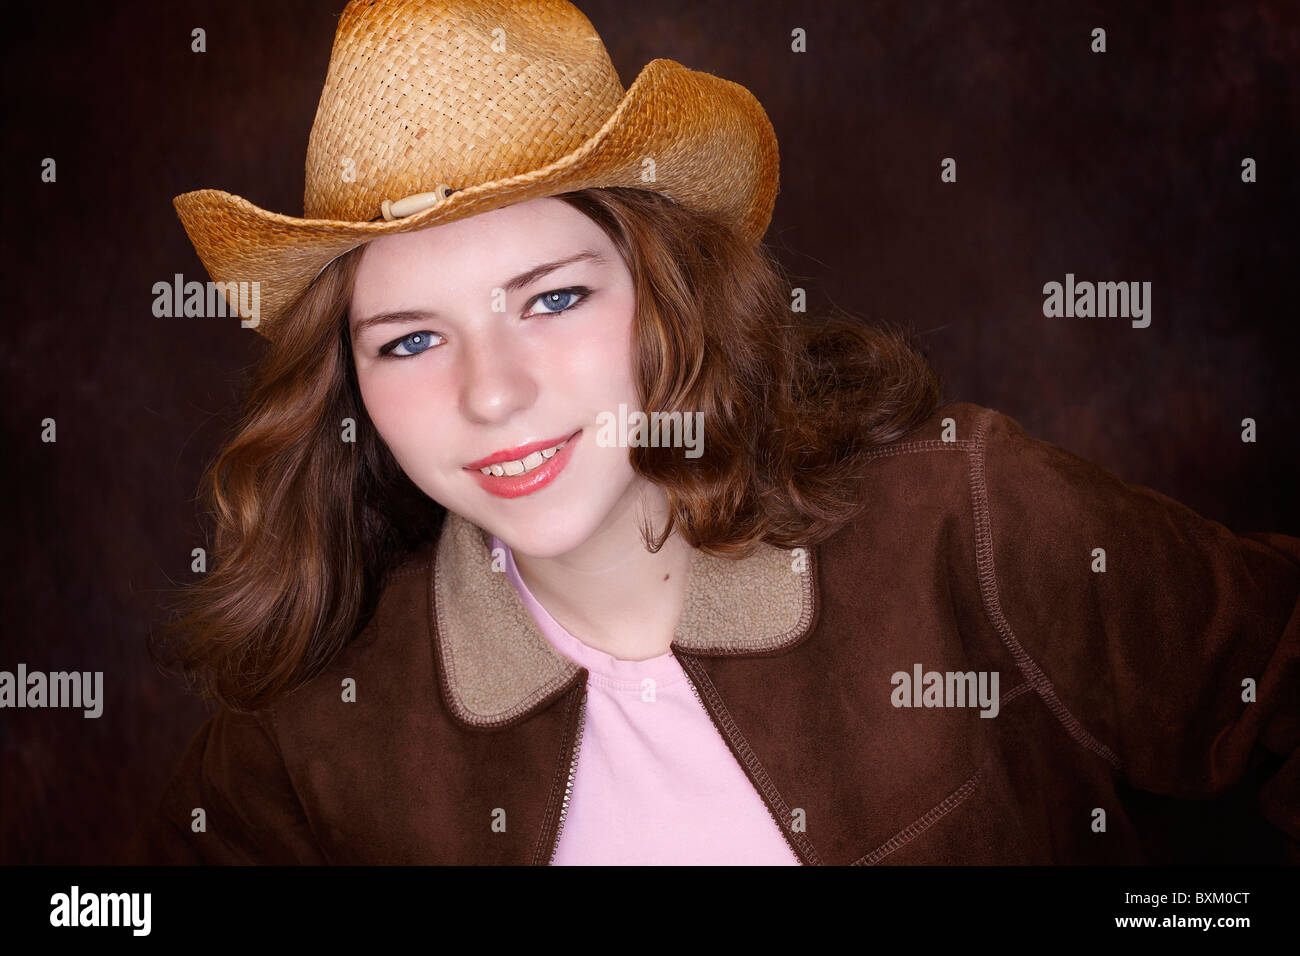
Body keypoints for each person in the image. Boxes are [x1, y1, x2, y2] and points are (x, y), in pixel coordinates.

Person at [126, 0, 1298, 865]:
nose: (492, 393)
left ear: (665, 294)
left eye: (553, 298)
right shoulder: (317, 742)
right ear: (351, 391)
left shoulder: (967, 518)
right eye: (411, 340)